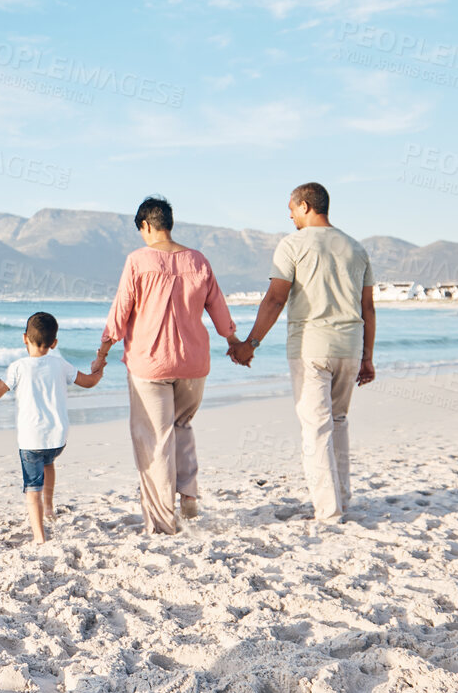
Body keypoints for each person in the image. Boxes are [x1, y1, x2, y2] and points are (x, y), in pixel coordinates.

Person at [94, 196, 245, 534]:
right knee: (182, 426)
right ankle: (188, 492)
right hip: (194, 363)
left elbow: (119, 314)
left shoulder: (138, 260)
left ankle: (162, 521)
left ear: (147, 226)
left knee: (155, 439)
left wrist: (102, 354)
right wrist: (235, 344)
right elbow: (220, 312)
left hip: (150, 364)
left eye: (142, 231)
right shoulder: (198, 260)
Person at [231, 182, 375, 522]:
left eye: (293, 209)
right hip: (350, 347)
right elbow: (367, 307)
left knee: (316, 428)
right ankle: (342, 498)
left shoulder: (293, 244)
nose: (290, 215)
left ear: (306, 206)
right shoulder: (356, 248)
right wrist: (367, 357)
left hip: (311, 348)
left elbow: (276, 298)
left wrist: (250, 344)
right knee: (337, 422)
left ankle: (328, 510)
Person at [0, 311, 104, 543]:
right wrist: (100, 368)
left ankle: (39, 537)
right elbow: (88, 382)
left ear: (24, 337)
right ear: (54, 343)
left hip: (31, 440)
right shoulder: (60, 364)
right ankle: (49, 508)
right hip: (58, 439)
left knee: (32, 487)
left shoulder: (18, 367)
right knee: (49, 463)